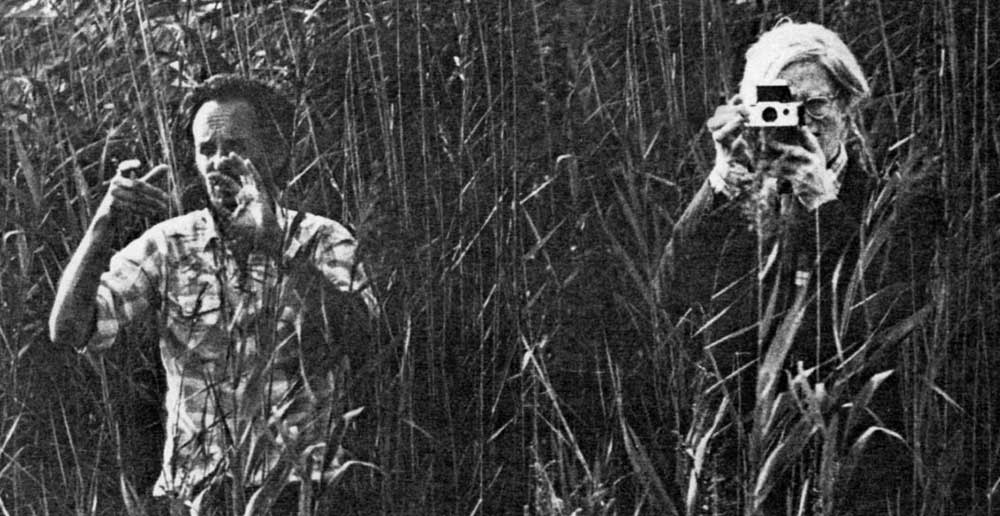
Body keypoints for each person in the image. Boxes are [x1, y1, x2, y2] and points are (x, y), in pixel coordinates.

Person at [49, 74, 378, 514]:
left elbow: (358, 339)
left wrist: (275, 243)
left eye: (236, 147)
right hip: (194, 499)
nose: (220, 162)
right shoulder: (169, 245)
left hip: (299, 496)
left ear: (275, 153)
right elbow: (69, 329)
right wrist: (102, 224)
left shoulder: (322, 240)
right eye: (207, 149)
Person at [666, 21, 939, 513]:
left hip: (842, 445)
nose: (803, 123)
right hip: (740, 448)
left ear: (848, 104)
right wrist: (724, 177)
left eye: (815, 104)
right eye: (782, 106)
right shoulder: (738, 198)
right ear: (751, 112)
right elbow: (673, 292)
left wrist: (823, 202)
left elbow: (875, 323)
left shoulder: (890, 203)